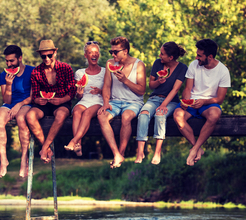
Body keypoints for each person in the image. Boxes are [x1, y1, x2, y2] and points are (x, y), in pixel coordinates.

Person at [173, 38, 231, 166]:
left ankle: (194, 149)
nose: (196, 57)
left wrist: (204, 102)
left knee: (215, 115)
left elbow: (220, 99)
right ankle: (197, 148)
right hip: (192, 102)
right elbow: (188, 89)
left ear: (210, 57)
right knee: (177, 115)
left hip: (209, 103)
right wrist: (185, 101)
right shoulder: (194, 65)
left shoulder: (223, 71)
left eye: (199, 55)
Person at [97, 36, 146, 168]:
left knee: (126, 117)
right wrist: (106, 102)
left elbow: (142, 91)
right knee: (101, 116)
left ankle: (122, 153)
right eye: (111, 52)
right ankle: (116, 154)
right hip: (114, 102)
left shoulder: (138, 65)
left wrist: (125, 81)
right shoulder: (110, 64)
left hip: (134, 102)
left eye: (115, 52)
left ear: (125, 51)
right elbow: (106, 86)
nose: (113, 55)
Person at [135, 42, 188, 165]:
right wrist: (159, 81)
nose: (159, 55)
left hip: (171, 102)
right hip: (154, 99)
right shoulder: (157, 63)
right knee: (143, 114)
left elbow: (175, 89)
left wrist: (164, 104)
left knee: (160, 114)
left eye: (162, 54)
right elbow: (151, 85)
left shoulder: (182, 68)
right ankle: (140, 152)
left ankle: (157, 152)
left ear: (170, 57)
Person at [26, 40, 76, 163]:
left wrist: (61, 100)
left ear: (55, 52)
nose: (47, 58)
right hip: (43, 104)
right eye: (43, 56)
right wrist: (38, 99)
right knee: (30, 116)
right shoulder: (36, 72)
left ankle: (44, 148)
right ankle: (46, 148)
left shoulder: (66, 68)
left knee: (61, 114)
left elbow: (72, 91)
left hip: (62, 102)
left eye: (50, 55)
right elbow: (35, 96)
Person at [0, 45, 35, 178]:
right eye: (7, 61)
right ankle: (3, 159)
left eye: (11, 61)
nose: (9, 64)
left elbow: (33, 96)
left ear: (20, 58)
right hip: (9, 104)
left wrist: (20, 104)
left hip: (26, 104)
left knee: (21, 119)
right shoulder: (3, 75)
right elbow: (6, 100)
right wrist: (9, 85)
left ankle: (24, 159)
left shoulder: (32, 71)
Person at [64, 41, 105, 156]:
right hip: (84, 100)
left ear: (99, 55)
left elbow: (110, 92)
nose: (94, 54)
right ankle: (78, 146)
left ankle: (74, 140)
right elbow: (78, 96)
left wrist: (100, 91)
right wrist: (79, 93)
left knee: (87, 113)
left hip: (99, 100)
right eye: (90, 52)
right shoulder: (79, 73)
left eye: (96, 52)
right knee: (76, 112)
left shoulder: (105, 72)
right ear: (85, 55)